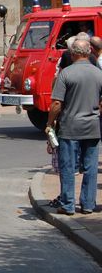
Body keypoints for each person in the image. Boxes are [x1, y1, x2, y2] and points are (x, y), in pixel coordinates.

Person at [46, 38, 102, 216]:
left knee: (68, 167)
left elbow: (56, 103)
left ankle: (68, 204)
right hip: (93, 126)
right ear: (89, 53)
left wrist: (49, 124)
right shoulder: (99, 73)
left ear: (73, 53)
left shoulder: (66, 74)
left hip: (70, 127)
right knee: (91, 167)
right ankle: (87, 204)